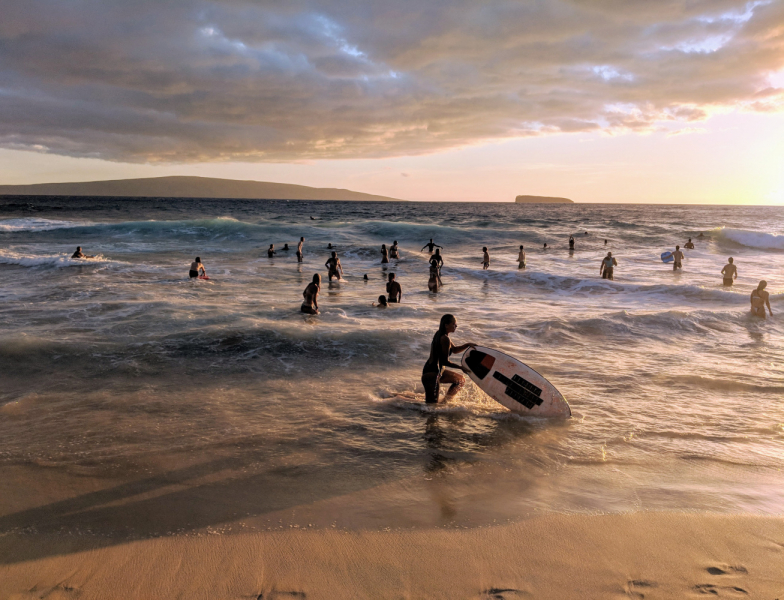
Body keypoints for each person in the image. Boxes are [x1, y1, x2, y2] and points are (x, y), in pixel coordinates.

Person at [421, 314, 475, 404]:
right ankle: (401, 407)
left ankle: (445, 402)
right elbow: (444, 361)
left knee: (460, 380)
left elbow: (454, 350)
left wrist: (467, 345)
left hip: (437, 372)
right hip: (432, 374)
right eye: (454, 324)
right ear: (446, 325)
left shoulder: (442, 335)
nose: (456, 326)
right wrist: (461, 367)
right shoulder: (444, 338)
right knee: (430, 408)